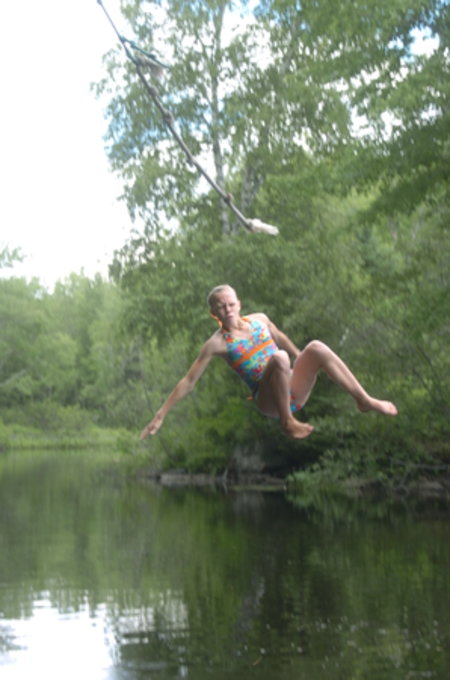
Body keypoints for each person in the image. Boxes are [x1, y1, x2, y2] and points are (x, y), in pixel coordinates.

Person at [140, 284, 397, 441]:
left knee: (316, 347)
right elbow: (188, 381)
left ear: (239, 304)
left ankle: (364, 400)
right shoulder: (216, 344)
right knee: (278, 357)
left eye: (231, 304)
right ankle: (287, 421)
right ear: (213, 313)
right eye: (221, 306)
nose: (227, 309)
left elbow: (279, 336)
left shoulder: (260, 319)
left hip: (292, 387)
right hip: (268, 400)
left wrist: (301, 355)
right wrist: (160, 415)